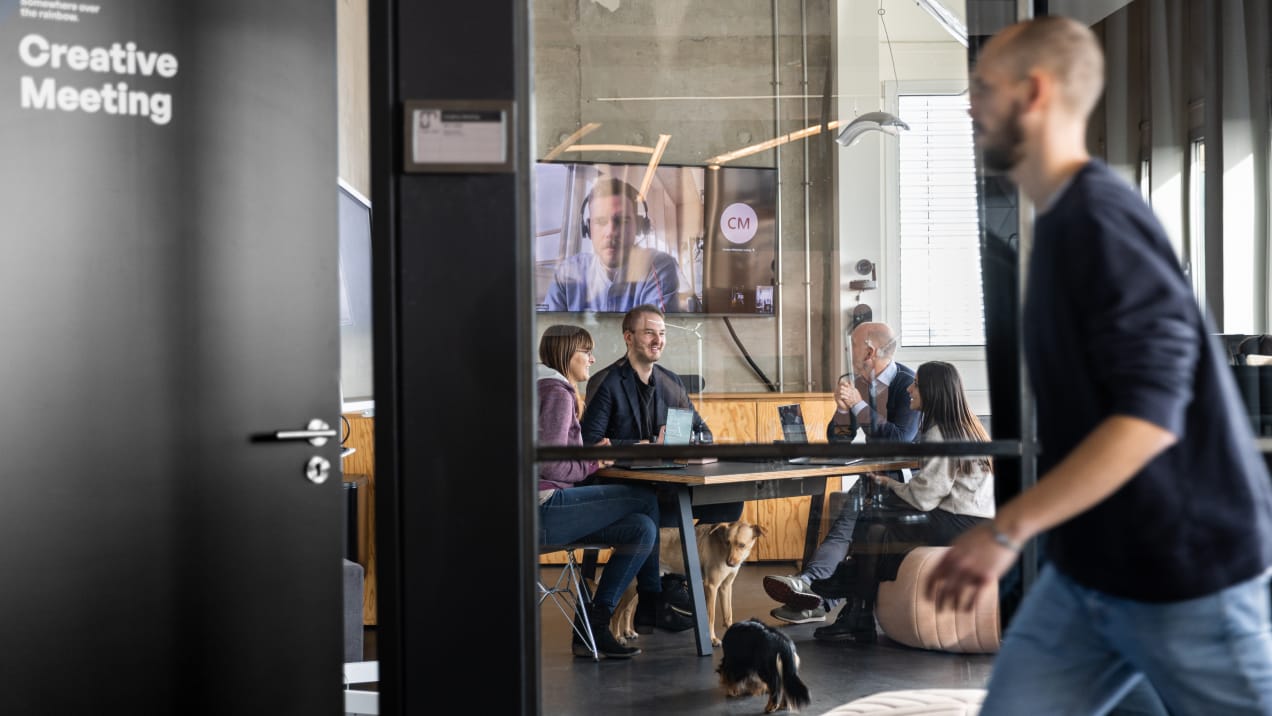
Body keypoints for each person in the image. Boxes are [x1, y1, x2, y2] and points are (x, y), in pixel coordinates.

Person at [925, 16, 1272, 715]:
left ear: (1036, 92)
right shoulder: (1059, 224)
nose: (969, 105)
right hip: (1087, 578)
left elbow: (1149, 419)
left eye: (982, 87)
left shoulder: (1099, 221)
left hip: (1185, 575)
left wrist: (1004, 531)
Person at [805, 361, 994, 642]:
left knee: (873, 522)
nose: (909, 388)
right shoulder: (966, 426)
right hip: (973, 520)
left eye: (916, 383)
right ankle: (852, 607)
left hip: (960, 522)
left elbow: (924, 498)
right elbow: (931, 491)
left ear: (932, 391)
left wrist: (890, 484)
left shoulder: (939, 434)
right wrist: (890, 486)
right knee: (876, 525)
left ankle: (838, 592)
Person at [537, 324, 692, 660]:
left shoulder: (551, 388)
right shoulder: (555, 391)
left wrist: (593, 457)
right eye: (586, 352)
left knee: (642, 527)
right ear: (566, 354)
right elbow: (550, 466)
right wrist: (594, 463)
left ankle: (594, 625)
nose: (592, 359)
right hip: (543, 510)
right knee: (644, 499)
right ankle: (653, 597)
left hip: (550, 510)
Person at [763, 321, 920, 625]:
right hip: (876, 478)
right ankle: (812, 594)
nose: (849, 353)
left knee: (849, 528)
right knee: (844, 528)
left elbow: (900, 439)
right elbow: (839, 439)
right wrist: (843, 409)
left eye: (853, 347)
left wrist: (858, 404)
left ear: (870, 351)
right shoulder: (860, 382)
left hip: (906, 482)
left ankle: (811, 590)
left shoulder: (908, 384)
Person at [582, 304, 744, 525]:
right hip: (624, 487)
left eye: (662, 333)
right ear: (628, 337)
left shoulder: (672, 383)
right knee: (660, 506)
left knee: (729, 502)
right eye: (649, 333)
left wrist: (678, 443)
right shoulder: (605, 382)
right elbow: (590, 443)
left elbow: (704, 433)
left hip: (667, 482)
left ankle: (687, 555)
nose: (658, 341)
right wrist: (647, 445)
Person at [543, 178, 680, 313]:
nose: (611, 232)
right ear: (587, 228)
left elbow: (656, 332)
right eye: (601, 221)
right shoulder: (566, 274)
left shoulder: (658, 267)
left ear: (638, 227)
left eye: (622, 221)